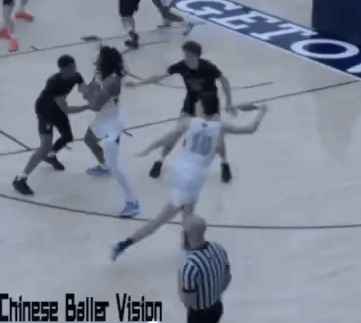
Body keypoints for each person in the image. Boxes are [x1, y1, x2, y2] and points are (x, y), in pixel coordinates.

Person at [111, 103, 267, 261]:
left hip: (180, 173)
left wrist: (148, 149)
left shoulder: (190, 122)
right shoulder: (220, 127)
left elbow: (166, 139)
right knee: (163, 220)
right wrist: (261, 112)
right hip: (193, 179)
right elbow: (250, 129)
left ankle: (186, 245)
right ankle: (124, 244)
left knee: (186, 213)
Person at [128, 40, 236, 182]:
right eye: (184, 53)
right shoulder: (181, 66)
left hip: (210, 105)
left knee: (217, 137)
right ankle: (160, 160)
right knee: (176, 133)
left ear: (195, 55)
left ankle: (224, 164)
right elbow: (159, 77)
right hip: (190, 104)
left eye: (187, 53)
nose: (185, 56)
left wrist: (229, 102)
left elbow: (224, 81)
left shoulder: (208, 67)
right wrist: (138, 84)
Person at [12, 55, 90, 196]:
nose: (75, 70)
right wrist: (88, 106)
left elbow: (84, 88)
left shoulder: (76, 76)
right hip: (45, 111)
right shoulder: (54, 83)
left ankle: (50, 155)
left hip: (57, 109)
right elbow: (66, 109)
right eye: (71, 68)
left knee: (67, 137)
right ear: (63, 69)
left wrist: (92, 93)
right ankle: (20, 179)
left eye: (75, 66)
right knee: (45, 146)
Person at [83, 46, 139, 218]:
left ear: (105, 61)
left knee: (116, 168)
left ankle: (132, 202)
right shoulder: (102, 75)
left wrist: (87, 92)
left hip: (111, 125)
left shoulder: (112, 82)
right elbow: (92, 94)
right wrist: (90, 92)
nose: (96, 60)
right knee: (89, 139)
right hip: (103, 119)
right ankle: (103, 166)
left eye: (99, 58)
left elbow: (94, 105)